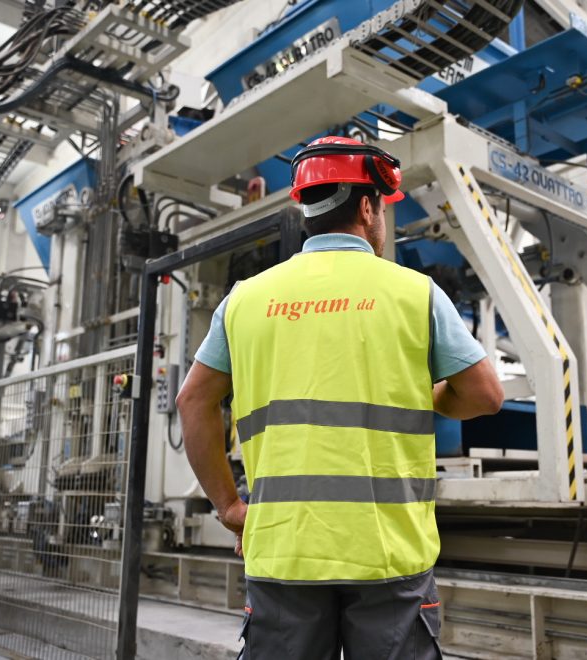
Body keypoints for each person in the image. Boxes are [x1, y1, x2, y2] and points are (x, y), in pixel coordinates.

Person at [177, 136, 503, 659]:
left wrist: (230, 506)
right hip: (388, 551)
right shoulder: (414, 293)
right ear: (368, 208)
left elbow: (192, 402)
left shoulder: (244, 300)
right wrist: (428, 395)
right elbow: (485, 396)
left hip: (284, 551)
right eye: (382, 209)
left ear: (306, 209)